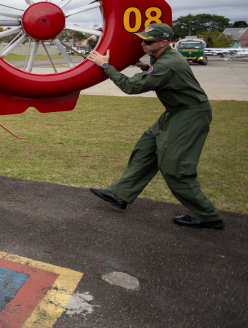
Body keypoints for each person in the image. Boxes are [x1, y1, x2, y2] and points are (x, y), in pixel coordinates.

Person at [86, 22, 224, 230]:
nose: (143, 44)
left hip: (190, 114)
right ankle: (120, 194)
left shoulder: (168, 64)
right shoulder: (162, 56)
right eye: (142, 39)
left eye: (148, 42)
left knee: (174, 166)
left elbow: (131, 86)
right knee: (146, 148)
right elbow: (155, 71)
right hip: (174, 111)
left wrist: (106, 66)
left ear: (164, 43)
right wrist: (143, 66)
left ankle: (206, 215)